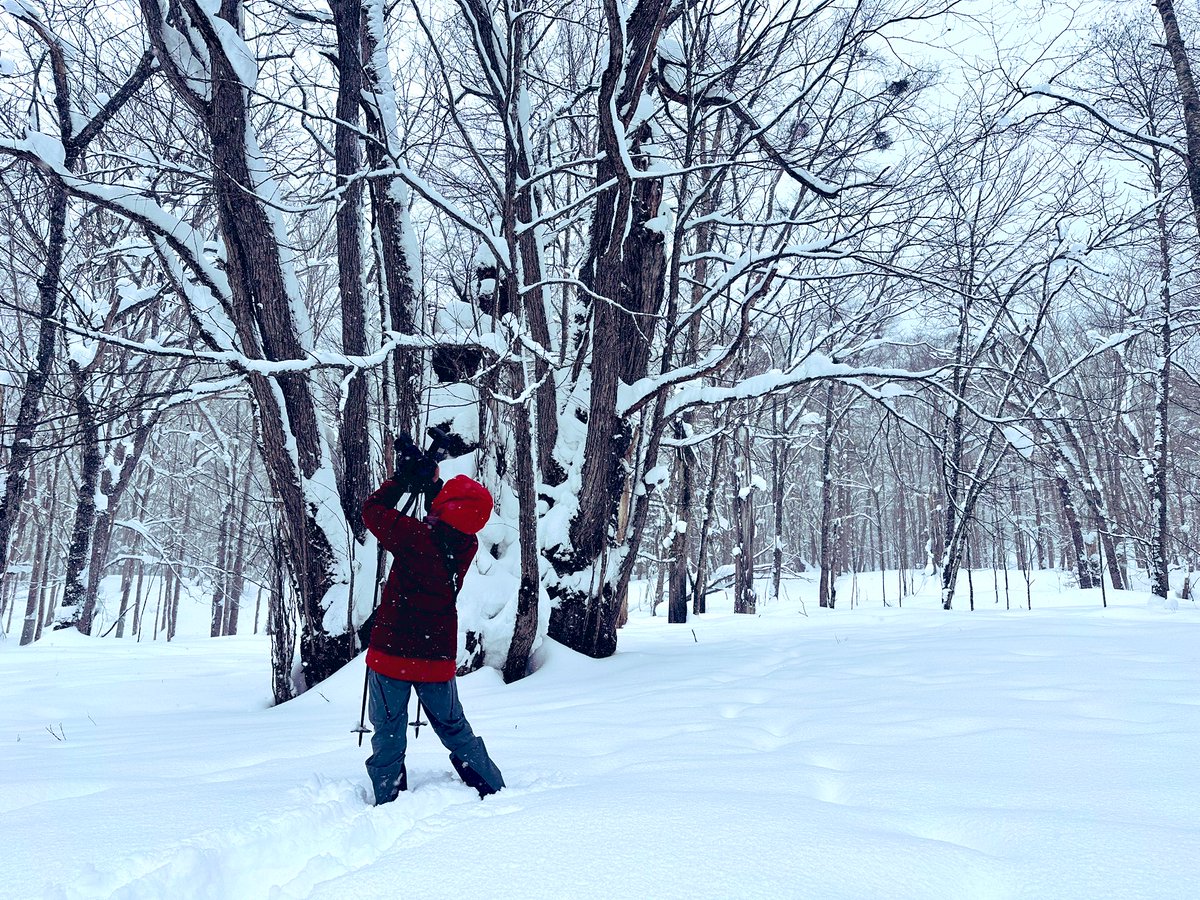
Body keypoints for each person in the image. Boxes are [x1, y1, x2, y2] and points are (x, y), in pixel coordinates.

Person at [361, 462, 506, 805]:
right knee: (454, 727)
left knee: (389, 732)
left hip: (391, 655)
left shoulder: (414, 537)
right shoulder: (466, 545)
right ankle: (490, 785)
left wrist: (401, 480)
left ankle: (390, 797)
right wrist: (431, 485)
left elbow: (372, 511)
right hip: (435, 658)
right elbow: (448, 517)